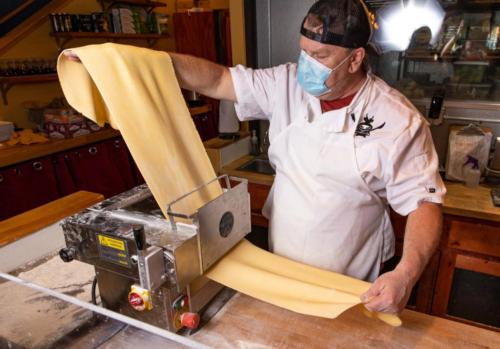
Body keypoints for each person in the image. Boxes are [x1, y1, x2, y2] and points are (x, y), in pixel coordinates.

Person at [65, 0, 446, 316]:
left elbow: (423, 204)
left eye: (321, 55)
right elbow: (216, 81)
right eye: (304, 51)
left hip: (345, 285)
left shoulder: (398, 120)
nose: (307, 64)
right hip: (277, 270)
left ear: (355, 58)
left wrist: (405, 275)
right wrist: (142, 63)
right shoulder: (285, 82)